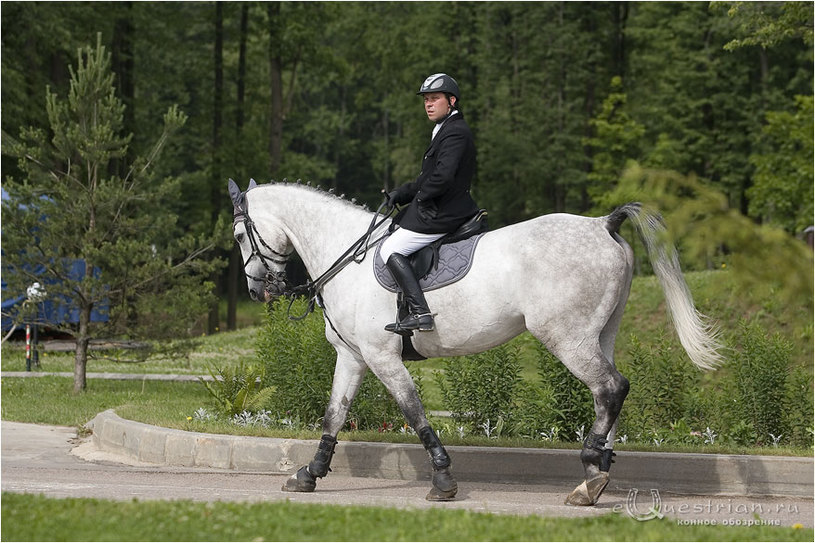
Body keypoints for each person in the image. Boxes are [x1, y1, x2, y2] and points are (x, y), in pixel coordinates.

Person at [379, 73, 480, 334]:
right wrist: (401, 194)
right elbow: (426, 178)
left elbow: (442, 177)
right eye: (426, 99)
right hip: (439, 206)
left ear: (452, 101)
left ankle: (421, 312)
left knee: (390, 248)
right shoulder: (444, 130)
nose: (428, 104)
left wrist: (420, 199)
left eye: (435, 98)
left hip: (445, 211)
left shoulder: (456, 132)